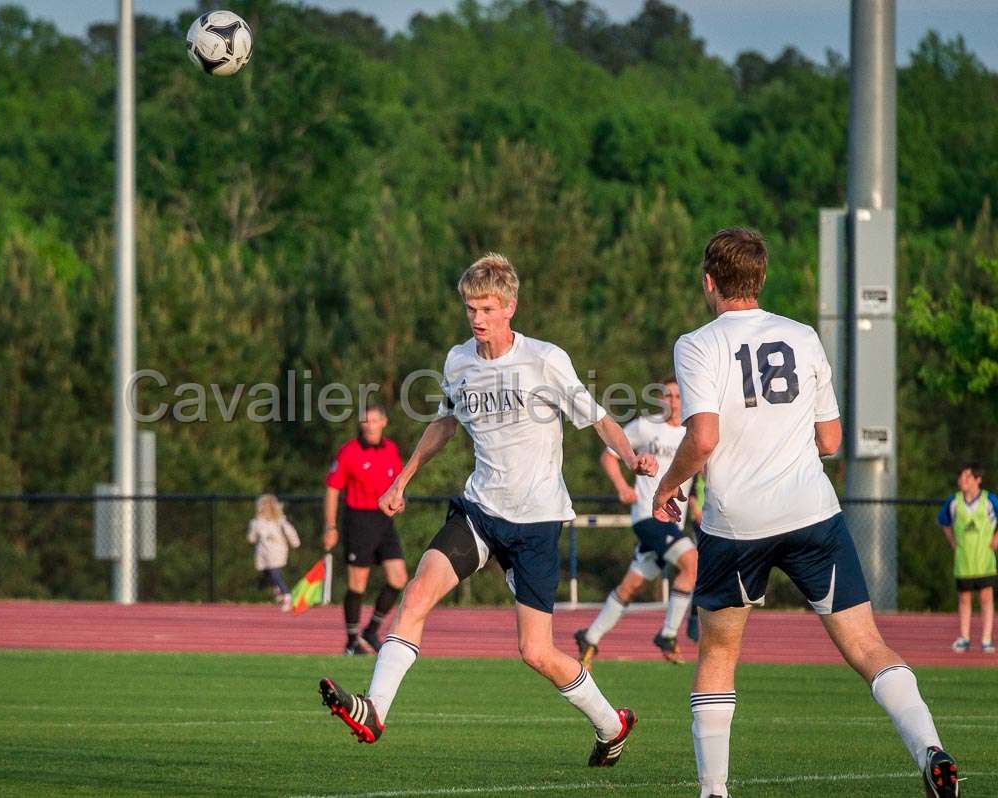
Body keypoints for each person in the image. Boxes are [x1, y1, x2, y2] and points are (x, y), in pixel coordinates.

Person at [650, 228, 959, 798]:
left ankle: (714, 792)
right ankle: (931, 750)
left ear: (708, 281)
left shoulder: (697, 344)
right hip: (811, 513)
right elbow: (833, 440)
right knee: (868, 648)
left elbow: (704, 439)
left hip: (736, 525)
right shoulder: (802, 336)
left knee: (718, 653)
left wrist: (667, 486)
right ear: (761, 279)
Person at [318, 253, 656, 769]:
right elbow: (444, 424)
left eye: (486, 307)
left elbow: (600, 420)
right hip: (480, 511)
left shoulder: (545, 359)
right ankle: (374, 710)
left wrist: (633, 458)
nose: (476, 317)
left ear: (510, 308)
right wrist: (402, 478)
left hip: (536, 522)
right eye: (470, 307)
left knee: (536, 652)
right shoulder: (459, 360)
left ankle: (611, 725)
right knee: (416, 596)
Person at [574, 377, 700, 666]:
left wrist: (695, 503)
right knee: (691, 563)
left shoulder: (692, 434)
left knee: (631, 587)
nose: (673, 401)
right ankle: (668, 635)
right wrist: (622, 486)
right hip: (648, 515)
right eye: (667, 396)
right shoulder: (646, 427)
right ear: (660, 399)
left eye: (678, 396)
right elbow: (609, 456)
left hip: (674, 522)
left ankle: (589, 637)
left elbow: (695, 476)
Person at [323, 404, 407, 655]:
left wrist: (399, 499)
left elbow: (397, 484)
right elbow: (332, 489)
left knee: (398, 578)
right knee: (358, 583)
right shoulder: (349, 452)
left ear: (384, 422)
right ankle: (351, 641)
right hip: (358, 521)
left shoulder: (391, 449)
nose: (369, 425)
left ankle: (371, 630)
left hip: (384, 521)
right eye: (365, 421)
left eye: (373, 420)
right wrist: (330, 526)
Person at [938, 462, 998, 654]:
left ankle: (987, 639)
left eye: (967, 477)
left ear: (977, 480)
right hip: (964, 561)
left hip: (984, 561)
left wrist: (995, 539)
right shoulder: (954, 501)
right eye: (961, 477)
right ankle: (964, 637)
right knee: (964, 600)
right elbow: (943, 521)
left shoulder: (989, 500)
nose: (962, 480)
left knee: (986, 599)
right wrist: (952, 542)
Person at [247, 494, 301, 612]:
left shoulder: (280, 521)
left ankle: (287, 596)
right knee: (268, 573)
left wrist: (295, 542)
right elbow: (251, 538)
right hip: (263, 553)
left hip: (277, 551)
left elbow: (290, 532)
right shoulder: (257, 522)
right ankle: (278, 590)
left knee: (275, 573)